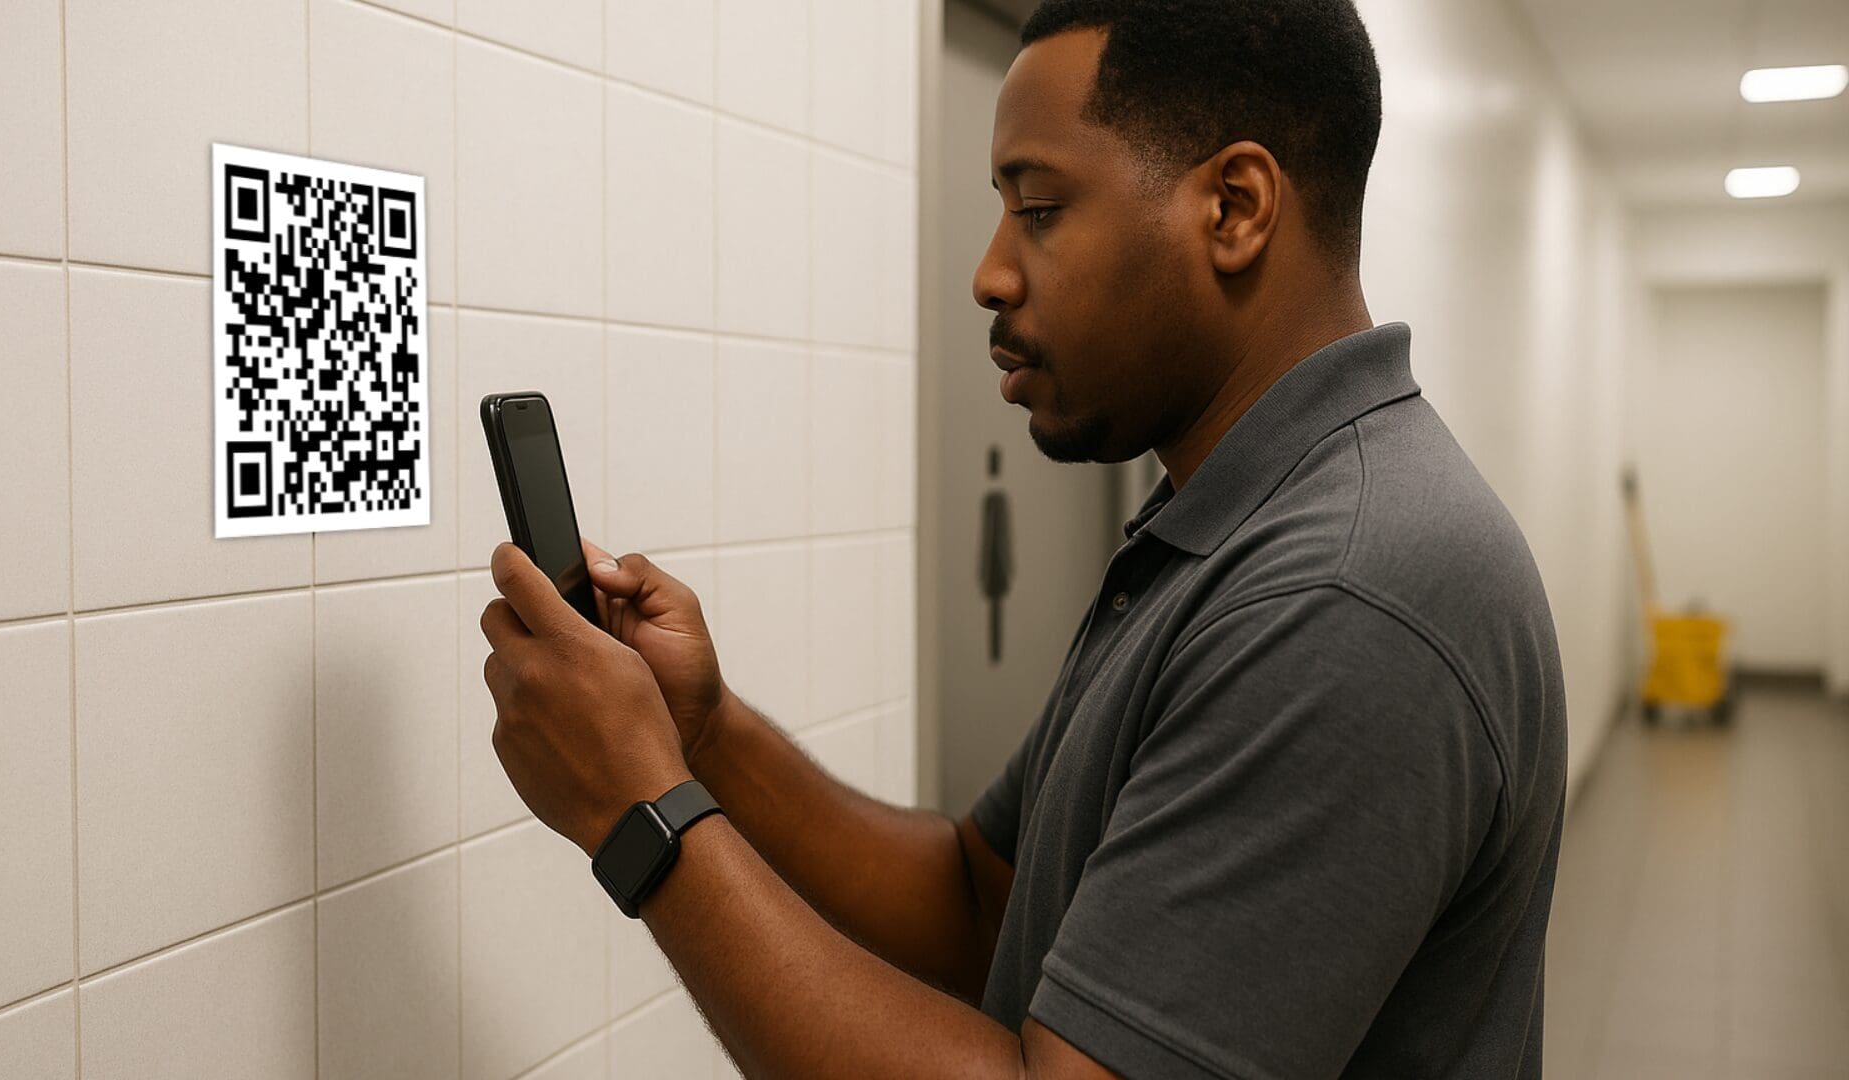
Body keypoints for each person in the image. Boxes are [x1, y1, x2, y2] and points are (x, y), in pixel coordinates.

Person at [477, 1, 1568, 1076]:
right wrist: (704, 734)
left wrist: (643, 814)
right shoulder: (1233, 525)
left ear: (1234, 208)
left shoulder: (1342, 590)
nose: (990, 273)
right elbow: (979, 901)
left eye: (1039, 209)